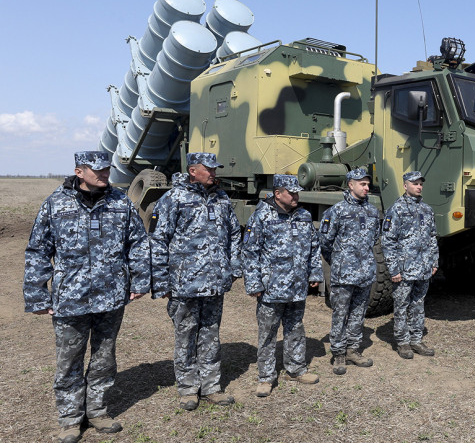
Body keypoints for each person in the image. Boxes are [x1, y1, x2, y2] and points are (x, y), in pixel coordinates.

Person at [23, 151, 150, 443]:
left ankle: (98, 411)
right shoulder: (55, 205)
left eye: (107, 169)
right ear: (80, 171)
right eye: (98, 170)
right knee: (69, 359)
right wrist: (37, 296)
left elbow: (138, 244)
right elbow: (38, 251)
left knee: (105, 358)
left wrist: (141, 280)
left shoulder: (120, 203)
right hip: (70, 298)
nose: (105, 174)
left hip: (111, 296)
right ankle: (69, 419)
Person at [150, 153, 241, 411]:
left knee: (211, 335)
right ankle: (188, 388)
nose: (213, 172)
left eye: (215, 168)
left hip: (214, 282)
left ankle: (212, 386)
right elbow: (158, 242)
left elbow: (234, 234)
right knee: (186, 335)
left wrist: (233, 268)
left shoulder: (221, 198)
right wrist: (161, 282)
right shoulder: (173, 199)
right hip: (184, 283)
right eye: (208, 168)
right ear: (192, 170)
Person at [242, 174, 323, 397]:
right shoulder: (261, 216)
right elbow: (250, 252)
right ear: (278, 194)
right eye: (291, 192)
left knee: (296, 328)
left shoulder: (304, 216)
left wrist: (315, 272)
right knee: (268, 334)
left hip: (297, 287)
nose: (296, 196)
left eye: (297, 192)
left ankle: (295, 369)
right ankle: (266, 377)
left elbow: (313, 247)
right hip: (271, 288)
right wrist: (254, 282)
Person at [320, 168, 380, 375]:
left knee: (358, 314)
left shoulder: (372, 211)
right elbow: (325, 242)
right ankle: (338, 353)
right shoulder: (336, 211)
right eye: (362, 184)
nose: (366, 187)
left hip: (365, 273)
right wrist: (340, 261)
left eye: (367, 184)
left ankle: (353, 350)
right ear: (350, 185)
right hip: (343, 273)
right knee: (340, 313)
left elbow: (373, 239)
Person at [381, 171, 439, 359]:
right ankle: (403, 342)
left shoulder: (427, 210)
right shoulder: (396, 209)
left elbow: (432, 237)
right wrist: (394, 269)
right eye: (414, 183)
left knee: (418, 304)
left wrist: (434, 261)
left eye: (420, 183)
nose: (419, 186)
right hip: (404, 270)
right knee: (401, 305)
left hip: (423, 268)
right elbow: (388, 241)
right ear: (405, 185)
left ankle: (416, 339)